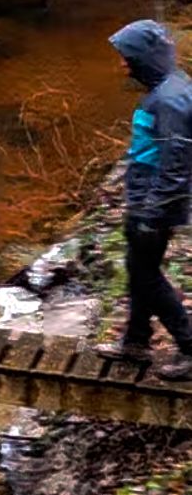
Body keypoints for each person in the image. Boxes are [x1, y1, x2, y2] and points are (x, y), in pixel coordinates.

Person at [95, 19, 192, 380]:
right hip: (147, 201)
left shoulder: (170, 100)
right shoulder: (166, 90)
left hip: (154, 207)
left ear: (145, 57)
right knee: (140, 272)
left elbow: (177, 163)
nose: (121, 64)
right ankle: (136, 342)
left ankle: (188, 344)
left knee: (146, 277)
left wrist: (152, 213)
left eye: (126, 57)